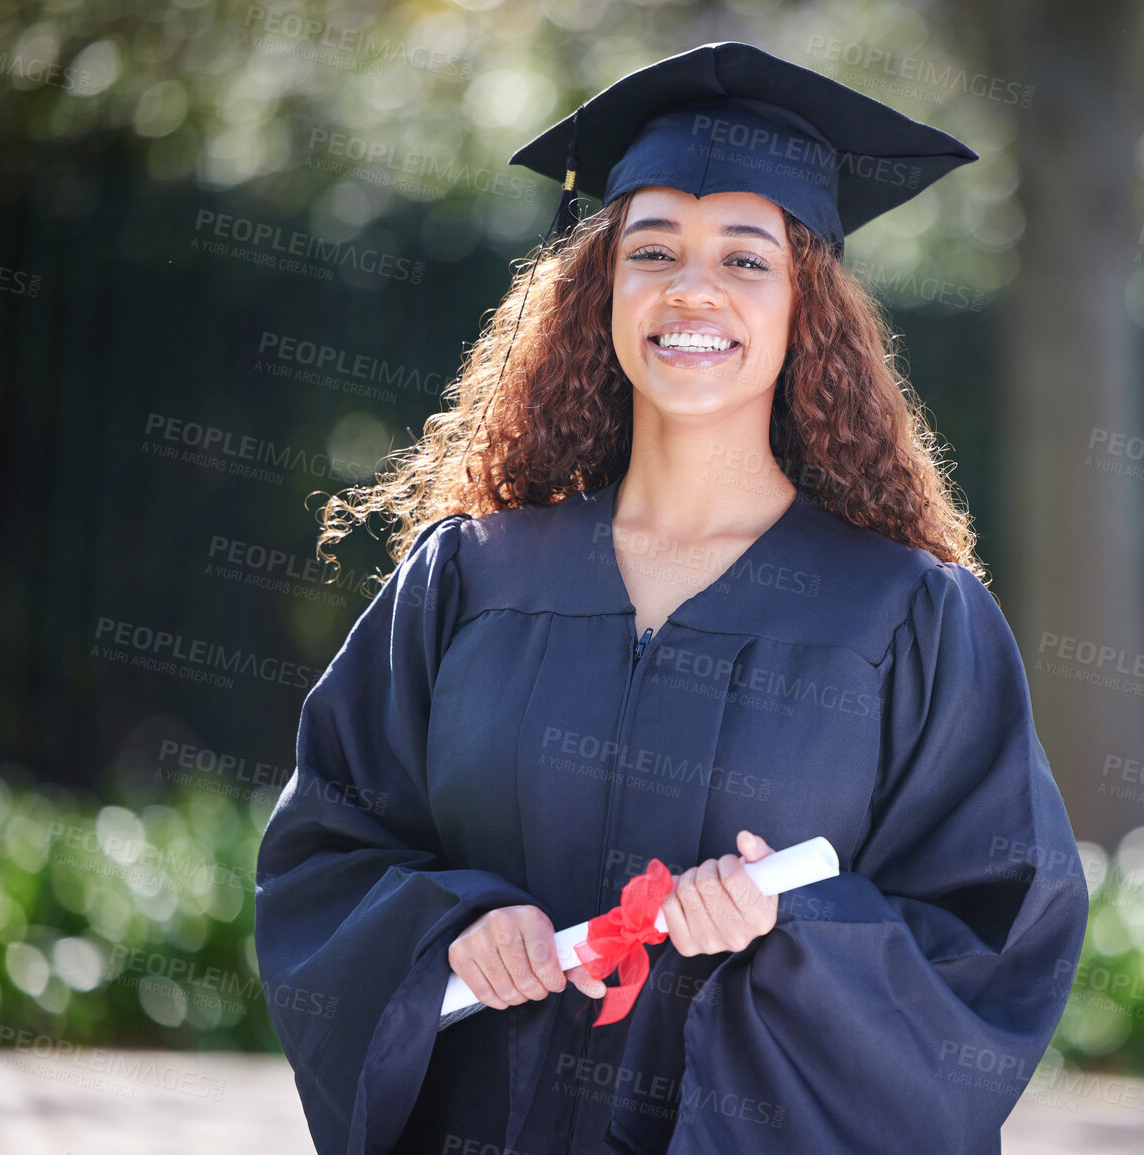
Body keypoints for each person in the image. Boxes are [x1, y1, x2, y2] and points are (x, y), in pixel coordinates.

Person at [254, 40, 1088, 1155]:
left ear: (809, 310)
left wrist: (791, 933)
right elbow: (328, 849)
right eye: (653, 250)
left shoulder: (907, 617)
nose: (691, 287)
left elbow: (996, 934)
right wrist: (450, 926)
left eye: (747, 260)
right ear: (603, 291)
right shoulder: (472, 577)